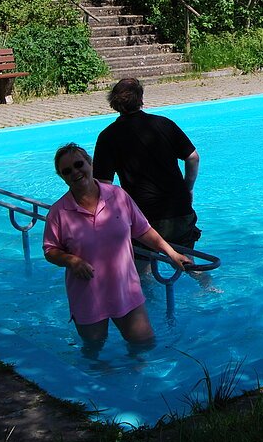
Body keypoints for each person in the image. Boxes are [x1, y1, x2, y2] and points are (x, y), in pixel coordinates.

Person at [43, 143, 190, 358]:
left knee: (145, 345)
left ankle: (138, 386)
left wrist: (172, 253)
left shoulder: (118, 196)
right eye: (67, 171)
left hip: (125, 289)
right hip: (87, 294)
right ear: (62, 177)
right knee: (94, 352)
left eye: (78, 164)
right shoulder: (59, 212)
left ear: (90, 163)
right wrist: (71, 260)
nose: (75, 172)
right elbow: (50, 250)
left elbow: (143, 230)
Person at [93, 78, 201, 255]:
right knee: (188, 262)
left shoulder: (108, 136)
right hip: (179, 209)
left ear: (113, 102)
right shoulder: (164, 124)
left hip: (142, 216)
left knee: (143, 271)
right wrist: (187, 188)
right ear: (141, 99)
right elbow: (193, 158)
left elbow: (104, 186)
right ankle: (209, 284)